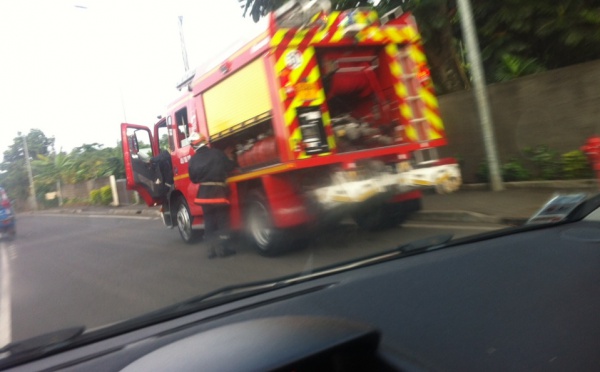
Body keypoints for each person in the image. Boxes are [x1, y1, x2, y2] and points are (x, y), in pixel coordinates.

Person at [188, 132, 237, 258]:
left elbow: (193, 179)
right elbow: (230, 167)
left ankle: (211, 251)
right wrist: (230, 157)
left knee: (209, 222)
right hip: (218, 192)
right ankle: (223, 249)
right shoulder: (217, 153)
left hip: (204, 195)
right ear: (204, 141)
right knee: (222, 221)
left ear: (193, 146)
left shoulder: (193, 160)